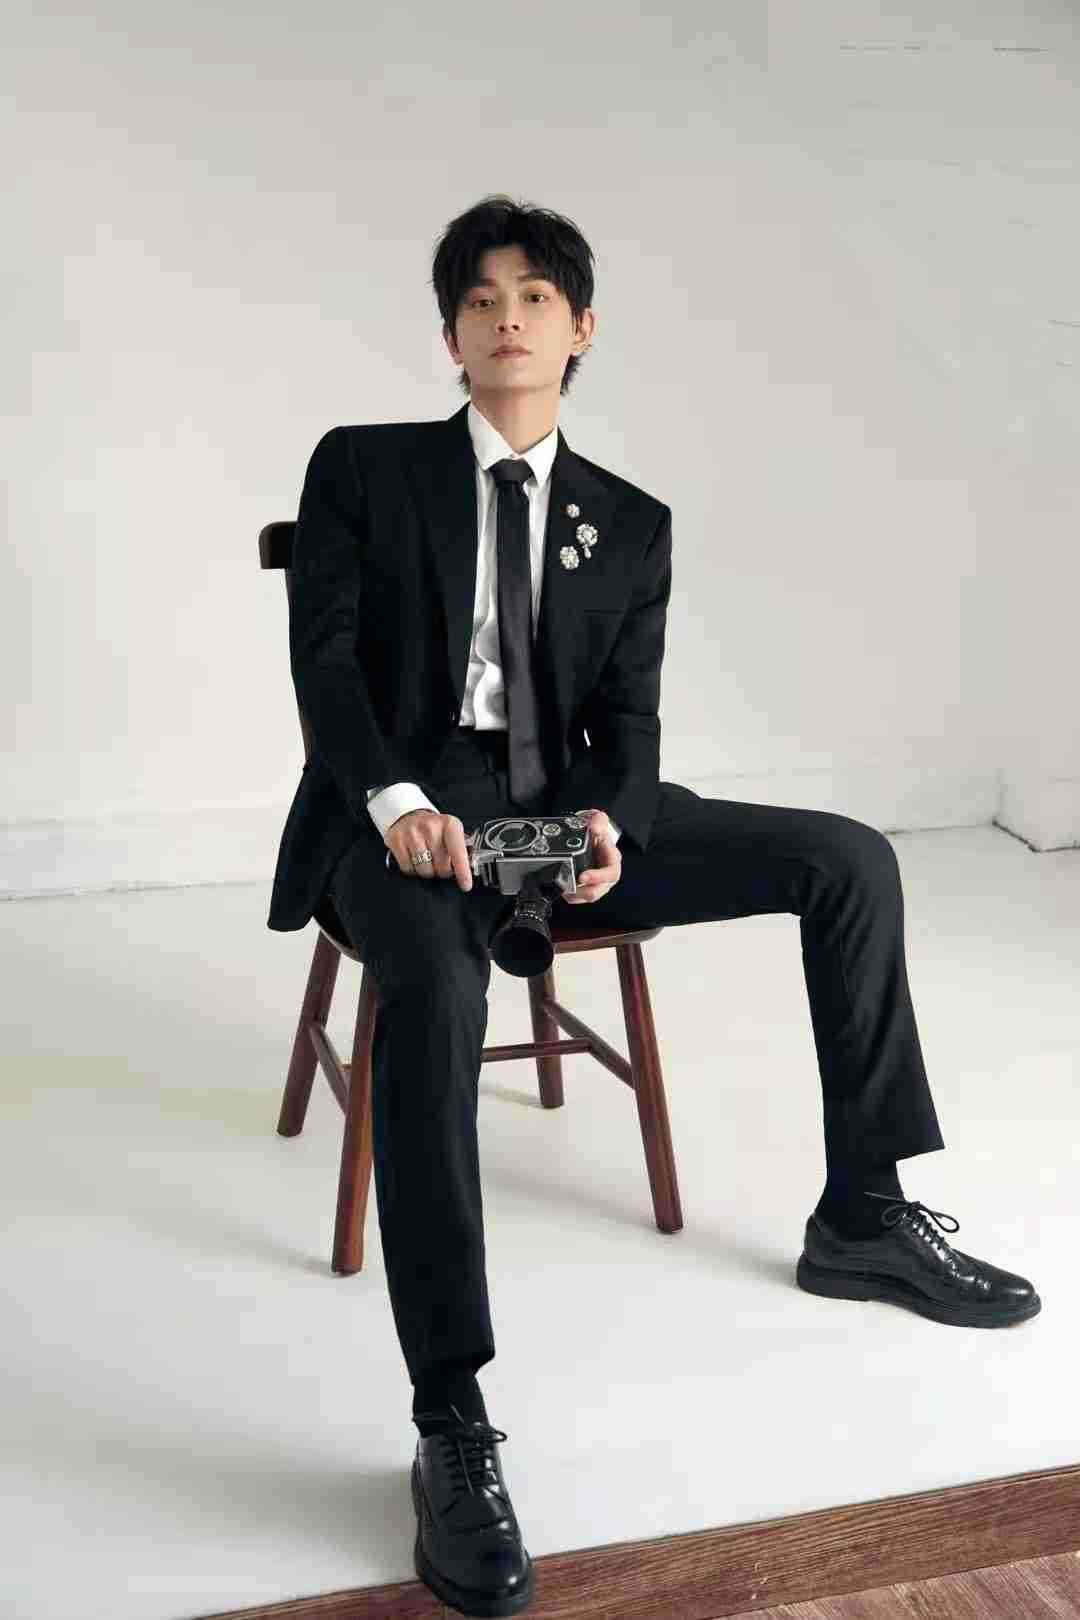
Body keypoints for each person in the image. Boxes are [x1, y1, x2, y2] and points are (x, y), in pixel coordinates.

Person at [267, 194, 1041, 1617]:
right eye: (481, 298)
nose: (509, 317)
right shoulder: (363, 469)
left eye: (535, 296)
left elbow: (628, 726)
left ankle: (864, 1211)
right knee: (435, 986)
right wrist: (397, 804)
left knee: (848, 858)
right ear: (450, 335)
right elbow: (325, 671)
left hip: (563, 809)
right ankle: (451, 1418)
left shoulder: (630, 524)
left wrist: (611, 829)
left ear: (581, 327)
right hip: (408, 818)